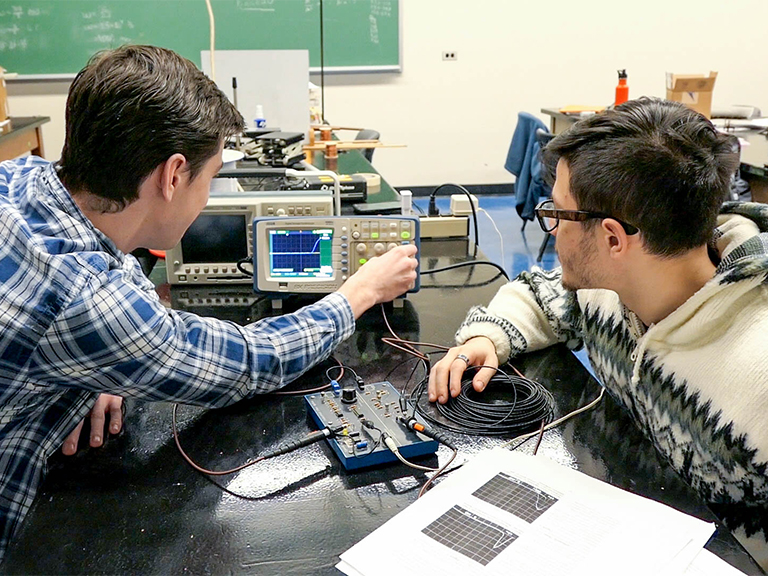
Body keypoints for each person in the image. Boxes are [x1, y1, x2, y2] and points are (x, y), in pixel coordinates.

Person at [0, 45, 418, 560]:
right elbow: (248, 362)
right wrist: (360, 292)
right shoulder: (81, 300)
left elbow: (104, 272)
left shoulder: (19, 177)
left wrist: (101, 365)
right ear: (173, 176)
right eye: (213, 175)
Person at [428, 98, 768, 568]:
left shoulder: (759, 372)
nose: (552, 226)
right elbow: (540, 294)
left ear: (613, 239)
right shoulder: (614, 286)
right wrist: (487, 337)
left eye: (559, 213)